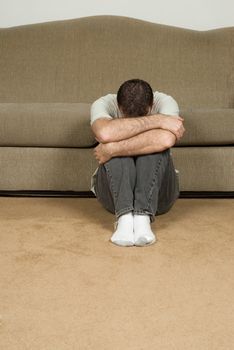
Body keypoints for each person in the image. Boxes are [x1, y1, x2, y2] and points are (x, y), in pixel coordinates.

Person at [90, 79, 185, 247]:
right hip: (112, 197)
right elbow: (105, 133)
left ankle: (143, 218)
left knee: (155, 148)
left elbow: (165, 139)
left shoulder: (165, 102)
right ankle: (124, 218)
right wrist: (157, 122)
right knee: (114, 143)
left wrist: (113, 148)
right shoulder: (103, 103)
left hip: (160, 198)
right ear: (118, 107)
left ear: (151, 106)